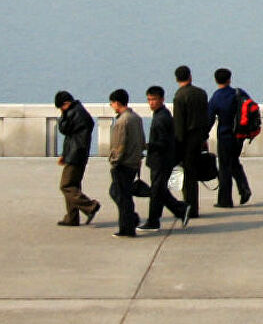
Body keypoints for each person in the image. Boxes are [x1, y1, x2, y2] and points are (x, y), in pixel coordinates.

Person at [140, 86, 189, 230]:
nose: (151, 103)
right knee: (159, 191)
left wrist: (147, 146)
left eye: (154, 99)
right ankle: (180, 209)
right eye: (149, 100)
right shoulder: (161, 114)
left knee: (157, 191)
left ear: (162, 99)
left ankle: (154, 220)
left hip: (161, 161)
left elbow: (163, 143)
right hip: (161, 160)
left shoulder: (161, 118)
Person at [206, 68, 253, 207]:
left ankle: (225, 200)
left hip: (225, 136)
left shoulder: (216, 97)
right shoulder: (239, 93)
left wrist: (203, 135)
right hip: (239, 136)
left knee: (225, 167)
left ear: (216, 80)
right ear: (229, 79)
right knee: (234, 162)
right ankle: (244, 188)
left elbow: (209, 119)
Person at [54, 91, 100, 226]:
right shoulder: (79, 111)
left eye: (61, 107)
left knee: (66, 185)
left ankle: (90, 206)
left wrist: (63, 115)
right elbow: (71, 135)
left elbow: (63, 128)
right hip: (77, 153)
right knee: (73, 186)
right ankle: (72, 217)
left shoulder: (73, 112)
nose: (61, 110)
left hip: (75, 154)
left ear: (66, 103)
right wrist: (64, 154)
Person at [105, 90, 145, 238]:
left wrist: (114, 161)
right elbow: (142, 141)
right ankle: (129, 222)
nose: (111, 106)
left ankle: (127, 227)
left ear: (117, 103)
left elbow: (119, 145)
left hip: (123, 164)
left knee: (123, 197)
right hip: (134, 162)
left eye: (111, 103)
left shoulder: (122, 121)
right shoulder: (136, 118)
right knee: (120, 194)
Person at [172, 66, 210, 219]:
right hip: (198, 138)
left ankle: (189, 207)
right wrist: (204, 137)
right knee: (193, 175)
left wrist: (177, 145)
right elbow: (206, 118)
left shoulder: (179, 96)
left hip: (186, 140)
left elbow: (179, 124)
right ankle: (193, 207)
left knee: (187, 176)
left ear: (177, 79)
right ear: (190, 76)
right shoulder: (201, 93)